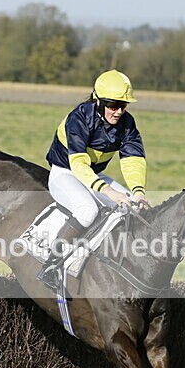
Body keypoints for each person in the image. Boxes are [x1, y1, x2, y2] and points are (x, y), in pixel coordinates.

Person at [37, 69, 150, 289]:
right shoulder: (78, 118)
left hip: (93, 175)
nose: (118, 112)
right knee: (87, 210)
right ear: (97, 101)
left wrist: (138, 192)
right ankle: (51, 265)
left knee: (131, 208)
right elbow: (78, 164)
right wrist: (108, 191)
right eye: (113, 105)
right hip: (64, 173)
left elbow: (133, 159)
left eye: (123, 106)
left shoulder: (127, 124)